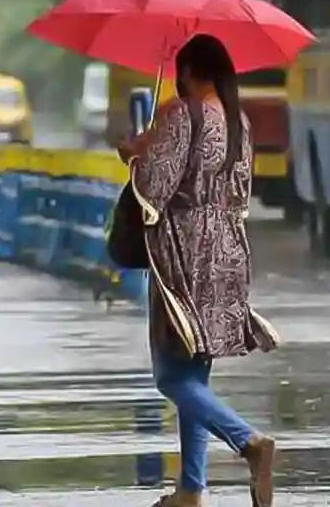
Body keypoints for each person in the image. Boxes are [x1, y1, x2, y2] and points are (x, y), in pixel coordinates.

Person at [118, 34, 280, 507]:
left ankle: (248, 441)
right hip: (228, 250)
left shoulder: (181, 114)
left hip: (183, 251)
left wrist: (135, 154)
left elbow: (155, 188)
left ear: (187, 72)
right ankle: (191, 487)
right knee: (195, 372)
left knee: (171, 376)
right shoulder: (238, 121)